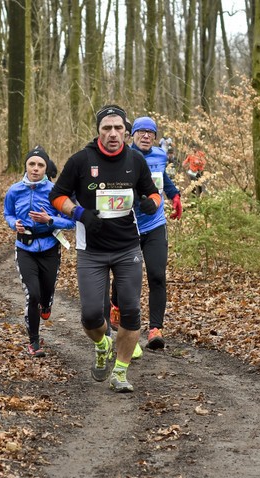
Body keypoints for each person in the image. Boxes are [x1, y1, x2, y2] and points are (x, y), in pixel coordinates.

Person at [49, 104, 160, 393]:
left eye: (118, 128)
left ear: (126, 130)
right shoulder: (81, 161)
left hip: (127, 247)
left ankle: (120, 372)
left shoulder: (136, 160)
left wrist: (151, 203)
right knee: (90, 315)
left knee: (131, 310)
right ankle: (102, 345)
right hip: (92, 250)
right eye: (106, 128)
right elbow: (57, 195)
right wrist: (79, 213)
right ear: (98, 130)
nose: (113, 134)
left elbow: (154, 193)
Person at [108, 117, 182, 352]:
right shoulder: (123, 156)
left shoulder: (160, 156)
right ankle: (116, 305)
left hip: (155, 224)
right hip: (128, 225)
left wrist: (175, 195)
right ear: (133, 135)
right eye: (141, 132)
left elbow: (163, 178)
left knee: (157, 275)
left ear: (156, 137)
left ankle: (155, 329)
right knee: (125, 276)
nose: (146, 136)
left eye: (151, 133)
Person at [4, 147, 75, 357]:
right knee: (32, 294)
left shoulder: (55, 192)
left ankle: (48, 302)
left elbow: (71, 222)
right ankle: (34, 342)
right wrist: (13, 223)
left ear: (46, 168)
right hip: (25, 247)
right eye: (32, 164)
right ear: (25, 166)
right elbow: (7, 212)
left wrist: (50, 220)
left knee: (46, 291)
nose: (35, 169)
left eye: (40, 165)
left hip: (50, 248)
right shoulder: (14, 190)